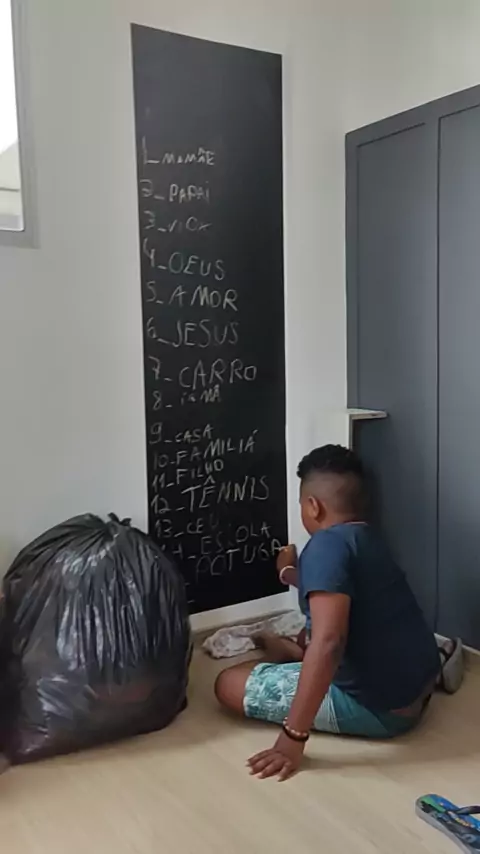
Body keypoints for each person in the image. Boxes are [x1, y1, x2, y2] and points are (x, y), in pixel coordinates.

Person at [214, 445, 463, 781]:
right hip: (417, 684)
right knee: (310, 633)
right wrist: (287, 573)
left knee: (228, 683)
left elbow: (330, 642)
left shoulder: (324, 546)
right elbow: (333, 586)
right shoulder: (367, 537)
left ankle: (296, 661)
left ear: (313, 506)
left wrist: (293, 737)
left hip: (384, 710)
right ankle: (294, 654)